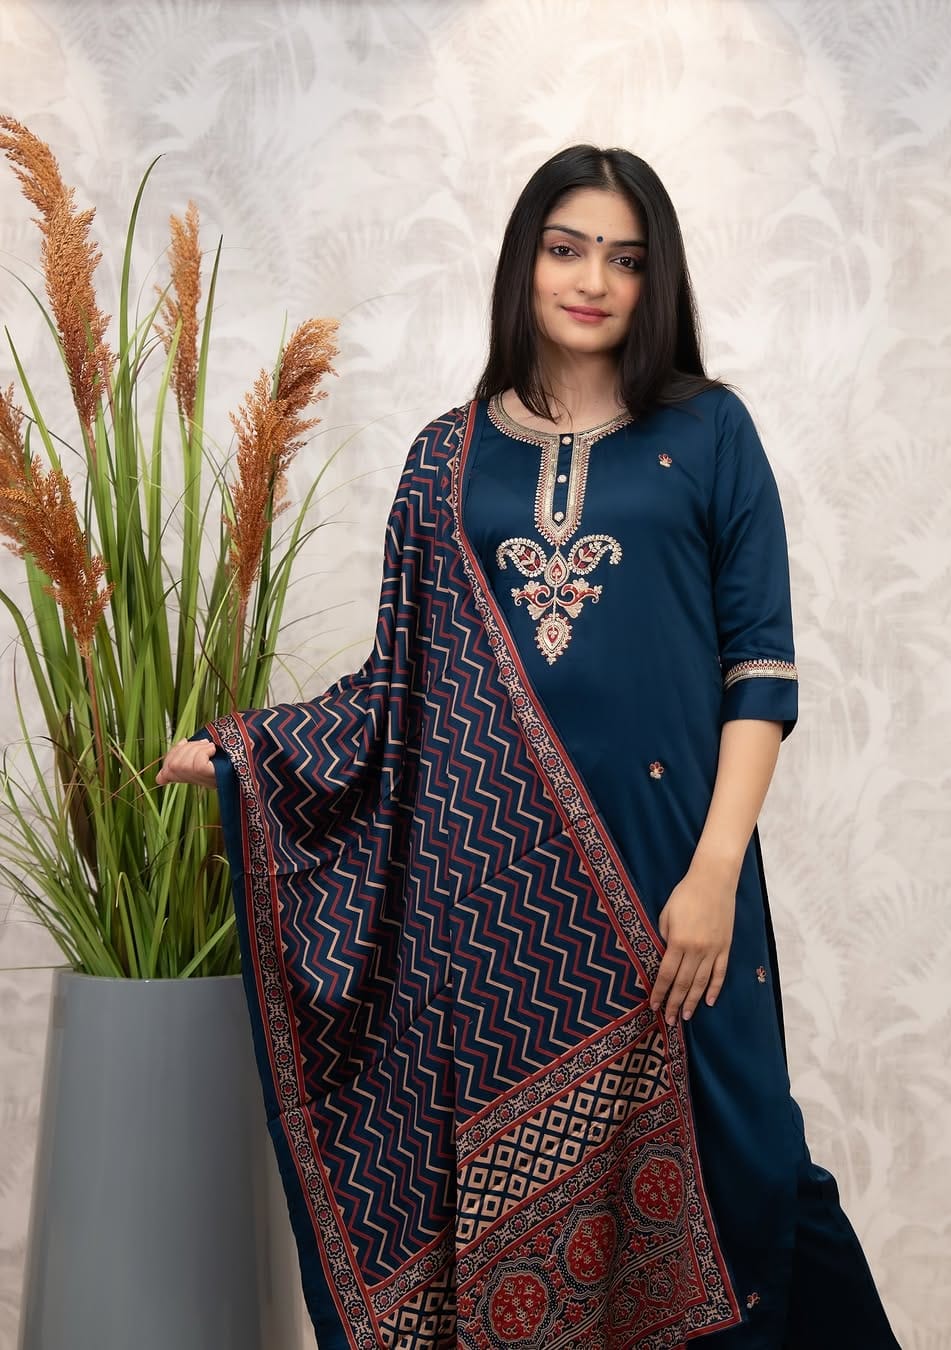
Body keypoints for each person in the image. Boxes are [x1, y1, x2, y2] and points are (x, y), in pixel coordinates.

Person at [159, 145, 900, 1349]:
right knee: (532, 1231)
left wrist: (714, 877)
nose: (594, 278)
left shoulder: (709, 434)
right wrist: (250, 755)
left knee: (752, 1173)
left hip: (673, 881)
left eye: (625, 256)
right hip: (504, 923)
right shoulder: (445, 460)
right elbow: (396, 689)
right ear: (525, 261)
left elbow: (760, 673)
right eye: (568, 248)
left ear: (653, 279)